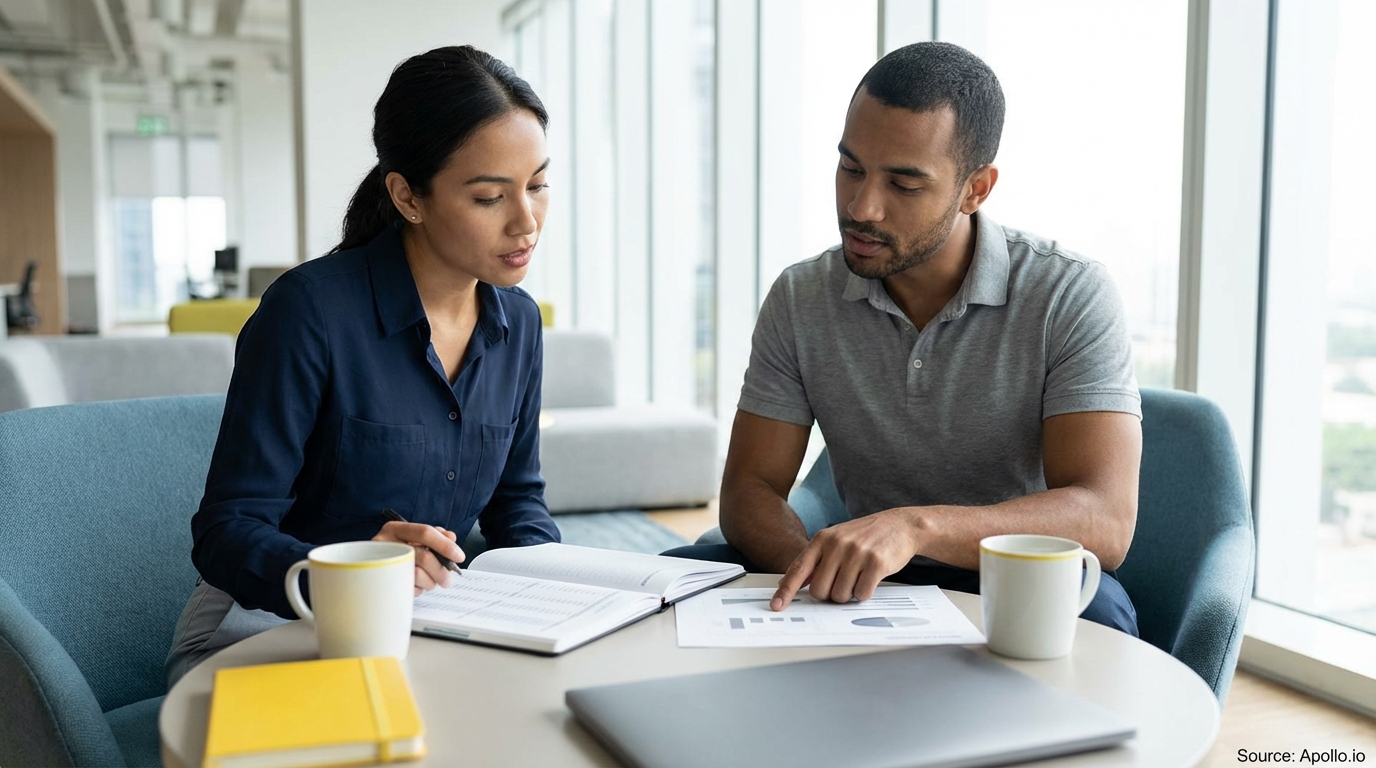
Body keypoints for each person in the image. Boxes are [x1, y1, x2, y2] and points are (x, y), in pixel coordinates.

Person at [663, 41, 1141, 634]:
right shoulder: (800, 296)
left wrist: (916, 528)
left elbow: (1106, 519)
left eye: (904, 186)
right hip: (871, 580)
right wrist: (809, 571)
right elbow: (749, 489)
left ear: (976, 189)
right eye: (851, 168)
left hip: (1008, 572)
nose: (863, 207)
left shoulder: (1069, 293)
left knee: (1101, 616)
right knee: (675, 580)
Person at [166, 45, 561, 686]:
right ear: (408, 196)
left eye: (538, 185)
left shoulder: (519, 323)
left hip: (418, 620)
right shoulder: (309, 312)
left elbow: (517, 504)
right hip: (266, 623)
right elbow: (225, 531)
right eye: (491, 197)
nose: (527, 222)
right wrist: (353, 574)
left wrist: (554, 588)